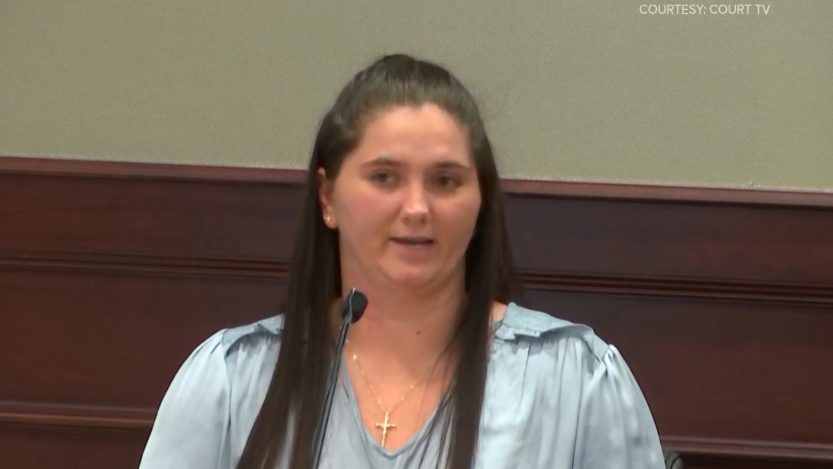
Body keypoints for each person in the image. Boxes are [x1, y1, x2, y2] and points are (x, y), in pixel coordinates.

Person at [139, 54, 664, 469]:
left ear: (480, 201)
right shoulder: (230, 383)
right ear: (327, 197)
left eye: (445, 180)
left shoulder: (577, 381)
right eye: (384, 177)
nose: (416, 208)